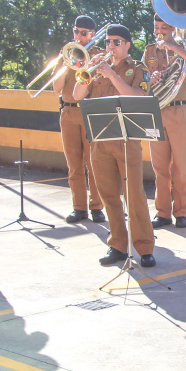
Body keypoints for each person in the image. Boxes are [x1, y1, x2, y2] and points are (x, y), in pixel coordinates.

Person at [72, 24, 156, 268]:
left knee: (134, 196)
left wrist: (112, 75)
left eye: (117, 42)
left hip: (127, 140)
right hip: (100, 140)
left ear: (128, 45)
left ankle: (144, 247)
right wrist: (87, 70)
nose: (111, 46)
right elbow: (78, 95)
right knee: (109, 195)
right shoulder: (96, 68)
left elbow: (139, 98)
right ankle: (118, 245)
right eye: (109, 41)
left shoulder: (137, 69)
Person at [143, 14, 186, 229]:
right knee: (159, 167)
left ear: (172, 29)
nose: (160, 31)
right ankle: (162, 213)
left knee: (180, 165)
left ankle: (181, 212)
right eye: (157, 27)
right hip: (156, 111)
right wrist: (152, 78)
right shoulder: (149, 51)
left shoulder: (185, 46)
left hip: (179, 111)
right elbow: (143, 80)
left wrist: (173, 46)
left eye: (164, 28)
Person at [53, 14, 106, 225]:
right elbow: (56, 88)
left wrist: (87, 63)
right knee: (73, 164)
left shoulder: (99, 55)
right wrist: (68, 63)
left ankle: (97, 207)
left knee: (94, 163)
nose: (79, 36)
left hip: (90, 111)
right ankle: (79, 207)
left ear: (93, 35)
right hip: (67, 112)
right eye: (76, 31)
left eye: (83, 33)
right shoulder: (65, 54)